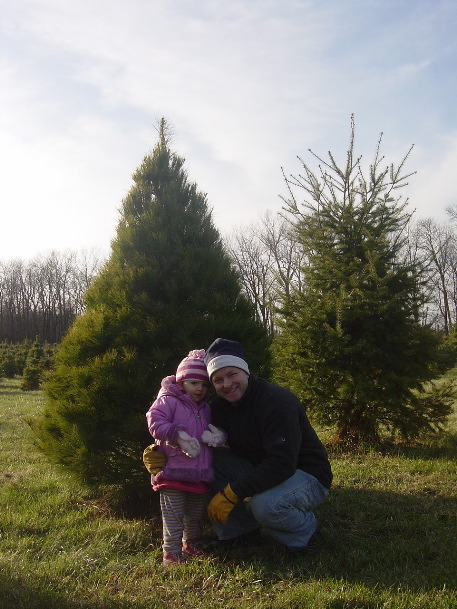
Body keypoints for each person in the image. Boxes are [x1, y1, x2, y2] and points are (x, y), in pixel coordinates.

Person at [204, 338, 333, 553]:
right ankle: (240, 533)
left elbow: (282, 463)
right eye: (218, 380)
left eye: (232, 374)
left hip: (305, 472)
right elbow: (192, 430)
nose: (226, 384)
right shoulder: (220, 407)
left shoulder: (275, 401)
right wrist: (164, 451)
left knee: (265, 506)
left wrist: (233, 492)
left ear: (245, 371)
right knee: (209, 462)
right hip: (262, 466)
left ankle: (306, 532)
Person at [146, 349, 225, 567]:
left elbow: (218, 428)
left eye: (204, 385)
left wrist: (219, 437)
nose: (200, 389)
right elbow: (155, 421)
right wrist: (177, 435)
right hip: (173, 470)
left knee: (194, 513)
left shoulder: (207, 407)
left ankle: (191, 544)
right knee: (173, 514)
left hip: (199, 472)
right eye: (194, 383)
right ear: (181, 382)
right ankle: (170, 554)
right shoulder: (168, 400)